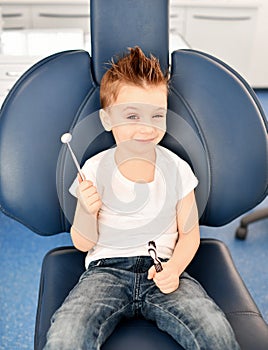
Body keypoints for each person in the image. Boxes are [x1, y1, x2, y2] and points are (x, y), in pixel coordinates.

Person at [44, 47, 240, 349]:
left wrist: (174, 269)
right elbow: (83, 243)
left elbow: (189, 235)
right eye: (132, 115)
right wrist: (85, 209)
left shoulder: (177, 168)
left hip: (162, 267)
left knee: (215, 331)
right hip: (104, 273)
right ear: (107, 119)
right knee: (66, 335)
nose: (146, 128)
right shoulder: (93, 169)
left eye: (157, 115)